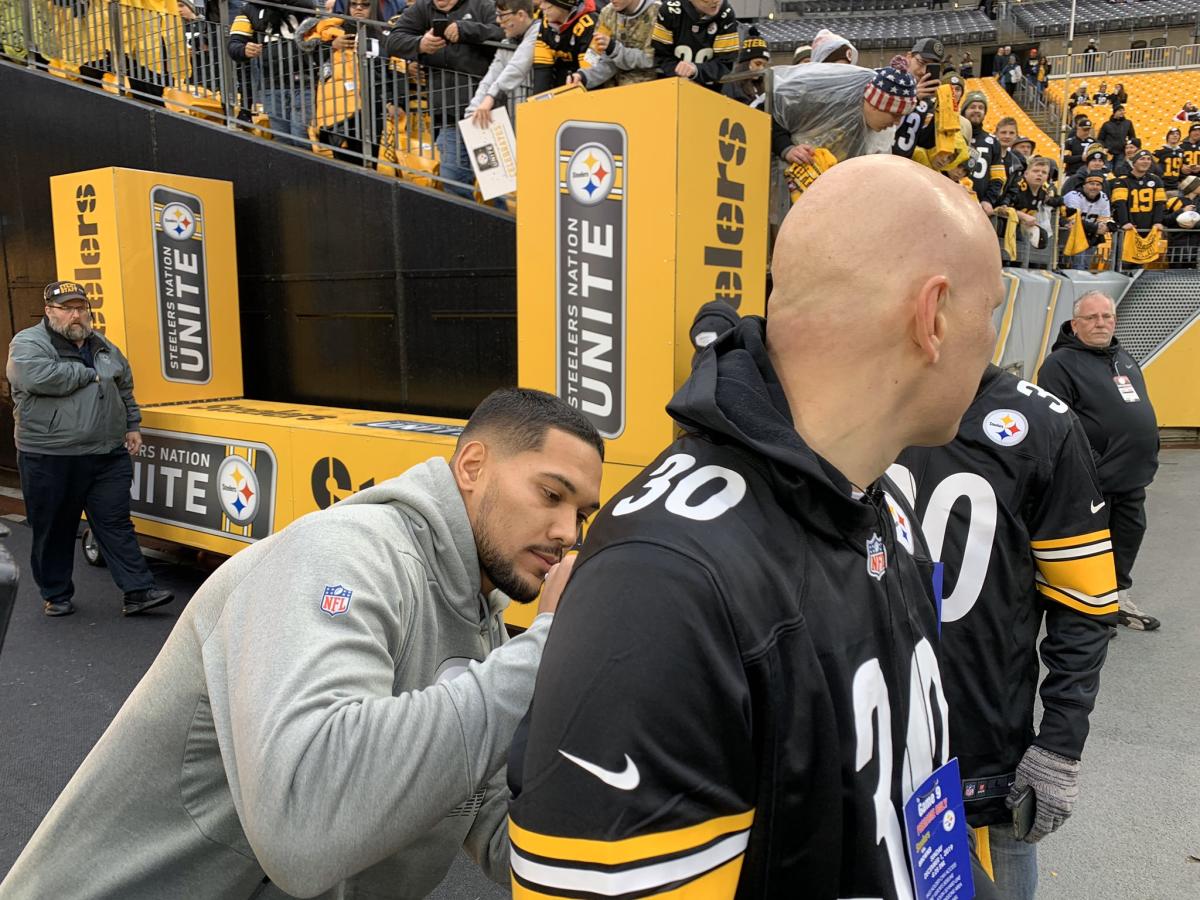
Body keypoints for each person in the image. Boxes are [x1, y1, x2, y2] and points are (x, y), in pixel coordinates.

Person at [506, 154, 1007, 899]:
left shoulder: (884, 503)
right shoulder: (664, 581)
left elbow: (913, 814)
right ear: (931, 318)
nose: (993, 346)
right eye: (990, 313)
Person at [0, 387, 604, 898]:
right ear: (472, 466)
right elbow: (307, 820)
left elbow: (505, 829)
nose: (565, 534)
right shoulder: (342, 553)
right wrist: (544, 648)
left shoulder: (484, 628)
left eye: (581, 513)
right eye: (551, 495)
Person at [893, 363, 1116, 900]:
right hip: (866, 731)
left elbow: (1085, 604)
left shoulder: (1043, 423)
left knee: (1003, 864)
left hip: (985, 748)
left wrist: (1060, 746)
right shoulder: (853, 396)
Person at [5, 280, 174, 619]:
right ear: (50, 311)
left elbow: (124, 386)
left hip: (106, 454)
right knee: (54, 527)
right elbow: (35, 378)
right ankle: (56, 593)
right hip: (50, 455)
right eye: (67, 308)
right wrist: (87, 373)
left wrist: (132, 425)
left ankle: (138, 591)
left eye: (81, 308)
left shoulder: (104, 346)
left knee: (115, 522)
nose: (76, 315)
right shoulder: (27, 342)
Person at [1037, 293, 1161, 632]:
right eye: (1092, 318)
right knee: (1089, 547)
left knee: (1128, 535)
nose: (1101, 323)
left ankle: (1116, 598)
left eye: (1107, 316)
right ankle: (1087, 611)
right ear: (1075, 325)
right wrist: (1090, 463)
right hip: (1092, 479)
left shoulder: (1124, 358)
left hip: (1132, 476)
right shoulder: (1059, 365)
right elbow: (1057, 423)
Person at [385, 0, 503, 199]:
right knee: (453, 180)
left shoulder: (482, 5)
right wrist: (419, 44)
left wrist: (465, 30)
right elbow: (392, 40)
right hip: (446, 113)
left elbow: (505, 34)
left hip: (486, 112)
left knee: (497, 187)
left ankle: (501, 227)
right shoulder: (422, 8)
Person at [228, 0, 317, 149]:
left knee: (301, 135)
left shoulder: (304, 6)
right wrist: (244, 49)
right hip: (272, 85)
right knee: (282, 140)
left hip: (304, 83)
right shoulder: (249, 9)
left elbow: (321, 35)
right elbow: (234, 43)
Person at [467, 0, 539, 128]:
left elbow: (517, 67)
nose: (498, 21)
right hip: (518, 118)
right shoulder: (507, 41)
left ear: (521, 15)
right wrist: (473, 110)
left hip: (541, 113)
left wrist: (491, 97)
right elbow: (491, 76)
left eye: (502, 15)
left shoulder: (538, 32)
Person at [650, 0, 737, 92]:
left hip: (709, 91)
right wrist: (678, 74)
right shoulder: (670, 11)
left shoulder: (726, 13)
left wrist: (696, 70)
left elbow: (725, 63)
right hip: (670, 88)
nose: (715, 1)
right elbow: (660, 56)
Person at [572, 0, 659, 90]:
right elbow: (596, 57)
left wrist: (614, 49)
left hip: (648, 90)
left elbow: (652, 59)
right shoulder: (606, 13)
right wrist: (583, 76)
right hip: (610, 91)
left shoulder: (658, 12)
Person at [1111, 149, 1166, 267]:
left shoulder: (1156, 180)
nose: (1146, 161)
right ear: (1134, 162)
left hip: (1146, 229)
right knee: (1123, 262)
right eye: (1142, 159)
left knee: (1141, 264)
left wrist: (1157, 222)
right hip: (1129, 229)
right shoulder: (1122, 180)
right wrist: (1125, 222)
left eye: (1148, 159)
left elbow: (1160, 203)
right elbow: (1120, 204)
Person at [531, 0, 598, 92]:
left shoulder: (589, 24)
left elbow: (589, 71)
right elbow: (542, 69)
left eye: (547, 2)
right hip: (560, 82)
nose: (541, 6)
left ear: (563, 5)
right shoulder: (546, 23)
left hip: (588, 85)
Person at [961, 90, 1006, 215]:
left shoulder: (992, 142)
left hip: (980, 207)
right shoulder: (954, 135)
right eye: (972, 107)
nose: (977, 110)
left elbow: (998, 177)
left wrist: (988, 200)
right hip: (954, 200)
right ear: (964, 110)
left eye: (981, 107)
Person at [1061, 173, 1115, 270]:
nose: (1094, 187)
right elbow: (1073, 220)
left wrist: (1106, 226)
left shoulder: (1103, 197)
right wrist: (1096, 228)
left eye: (1098, 185)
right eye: (1091, 184)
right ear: (1084, 185)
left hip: (1091, 236)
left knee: (1086, 267)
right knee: (1077, 267)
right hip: (1071, 235)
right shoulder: (1074, 196)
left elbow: (1105, 218)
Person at [721, 25, 768, 106]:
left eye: (764, 65)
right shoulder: (730, 85)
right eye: (757, 64)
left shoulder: (762, 87)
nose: (761, 68)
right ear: (745, 62)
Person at [1155, 127, 1185, 192]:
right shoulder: (1159, 151)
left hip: (1176, 185)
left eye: (1177, 134)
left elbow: (1182, 169)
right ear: (1168, 137)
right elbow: (1153, 167)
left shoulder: (1181, 151)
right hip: (1163, 185)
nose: (1175, 135)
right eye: (1172, 134)